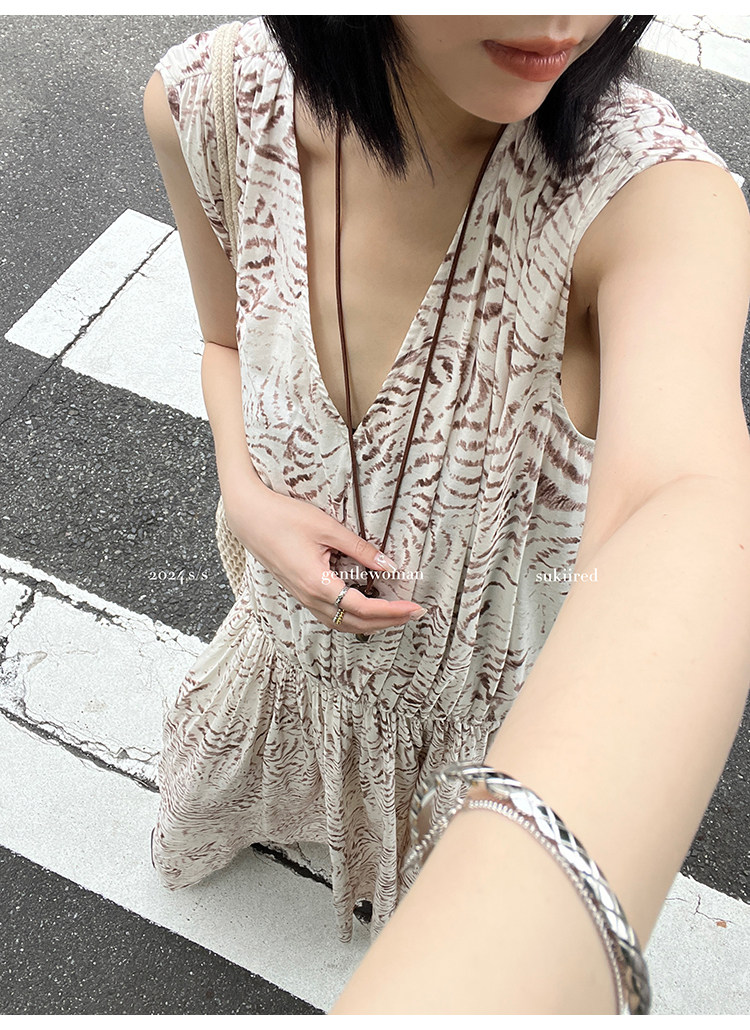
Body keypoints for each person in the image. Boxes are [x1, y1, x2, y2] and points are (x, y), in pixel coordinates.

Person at [142, 14, 750, 1013]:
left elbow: (680, 501)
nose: (560, 20)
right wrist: (249, 501)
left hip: (481, 717)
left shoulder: (647, 199)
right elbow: (224, 343)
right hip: (286, 653)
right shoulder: (211, 103)